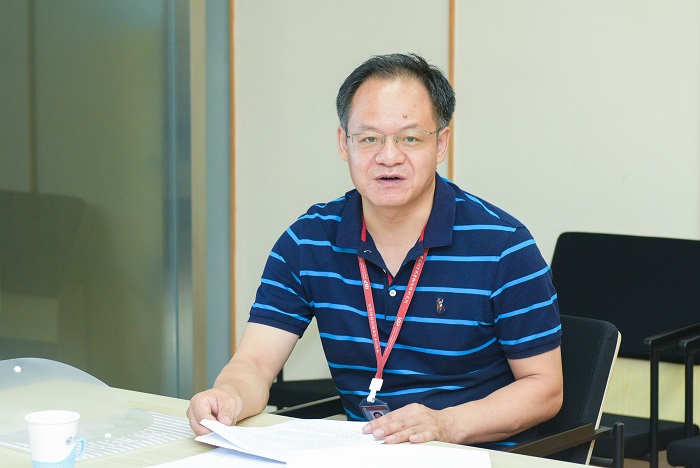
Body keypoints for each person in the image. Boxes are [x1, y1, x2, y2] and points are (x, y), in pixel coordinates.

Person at [187, 53, 563, 447]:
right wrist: (228, 396)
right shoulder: (307, 241)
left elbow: (545, 388)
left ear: (441, 143)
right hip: (365, 453)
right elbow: (254, 363)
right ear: (343, 143)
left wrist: (445, 425)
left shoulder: (503, 246)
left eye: (410, 138)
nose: (388, 157)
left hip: (473, 455)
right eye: (369, 138)